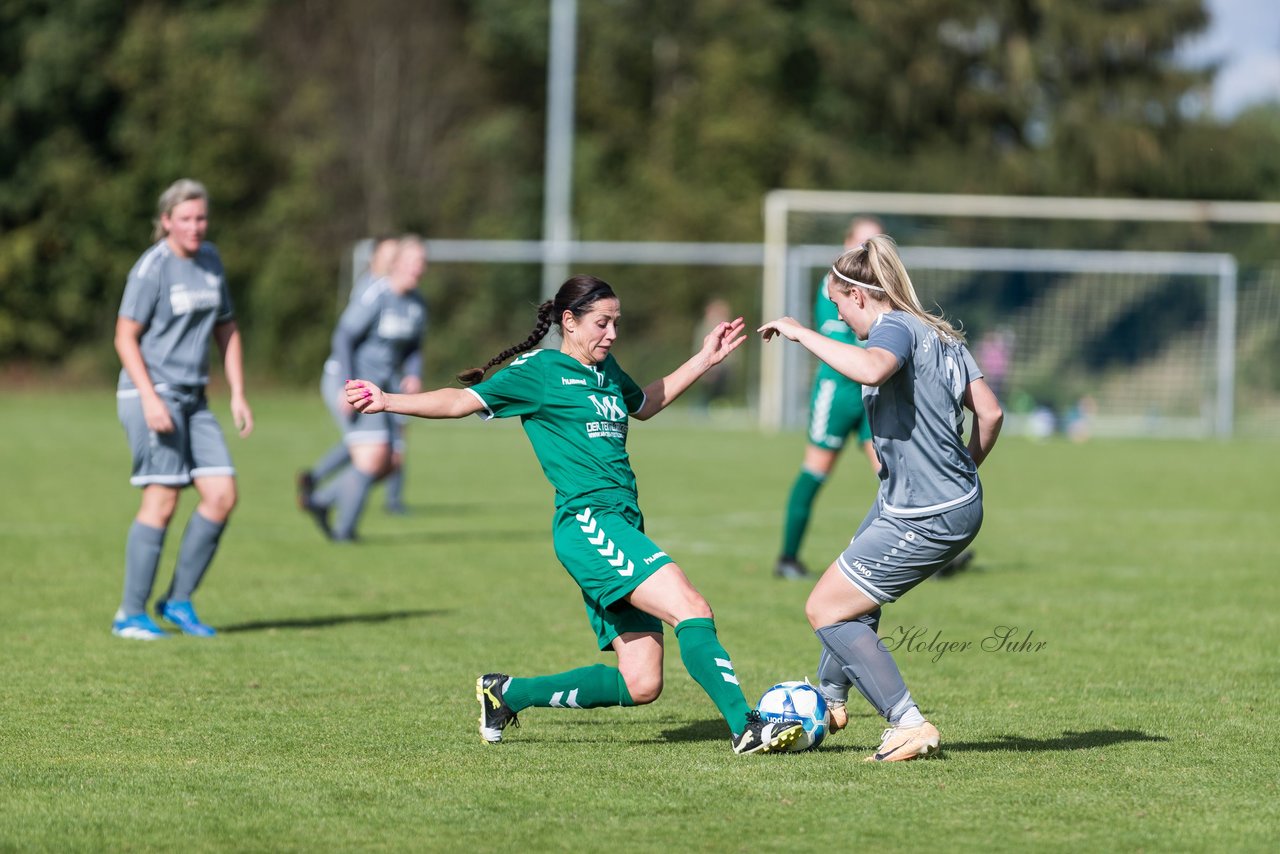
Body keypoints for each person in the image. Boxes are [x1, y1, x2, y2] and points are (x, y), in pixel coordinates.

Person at [345, 275, 804, 755]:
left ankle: (506, 693)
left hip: (622, 524)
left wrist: (704, 359)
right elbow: (462, 400)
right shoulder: (541, 372)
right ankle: (747, 726)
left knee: (642, 683)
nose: (611, 334)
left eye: (616, 324)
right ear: (569, 321)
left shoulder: (606, 371)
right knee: (691, 606)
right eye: (602, 323)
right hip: (589, 525)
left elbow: (644, 404)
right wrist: (388, 401)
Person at [758, 234, 1003, 761]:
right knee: (850, 593)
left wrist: (801, 334)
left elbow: (872, 369)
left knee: (825, 609)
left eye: (839, 305)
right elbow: (991, 412)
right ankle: (830, 700)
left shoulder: (893, 328)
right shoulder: (939, 333)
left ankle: (908, 723)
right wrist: (962, 470)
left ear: (861, 295)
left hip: (926, 511)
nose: (840, 318)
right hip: (926, 499)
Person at [111, 178, 253, 640]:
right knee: (163, 498)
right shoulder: (152, 268)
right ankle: (129, 614)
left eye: (201, 218)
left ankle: (177, 601)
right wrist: (150, 397)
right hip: (152, 393)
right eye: (186, 218)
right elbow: (124, 336)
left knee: (221, 495)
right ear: (167, 220)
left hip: (195, 399)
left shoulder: (210, 260)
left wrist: (237, 392)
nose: (195, 226)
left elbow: (227, 328)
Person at [775, 217, 883, 580]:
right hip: (837, 391)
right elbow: (834, 334)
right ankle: (787, 557)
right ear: (847, 242)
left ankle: (927, 556)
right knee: (815, 471)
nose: (869, 249)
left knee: (891, 474)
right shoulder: (834, 282)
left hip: (873, 390)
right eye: (863, 242)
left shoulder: (880, 283)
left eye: (875, 242)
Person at [300, 235, 427, 541]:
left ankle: (321, 500)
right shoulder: (375, 295)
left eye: (422, 263)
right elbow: (343, 337)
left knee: (390, 462)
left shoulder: (417, 304)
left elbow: (413, 346)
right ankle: (344, 533)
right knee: (372, 457)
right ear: (395, 264)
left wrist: (413, 373)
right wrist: (349, 385)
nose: (417, 269)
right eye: (411, 262)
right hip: (349, 381)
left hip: (381, 388)